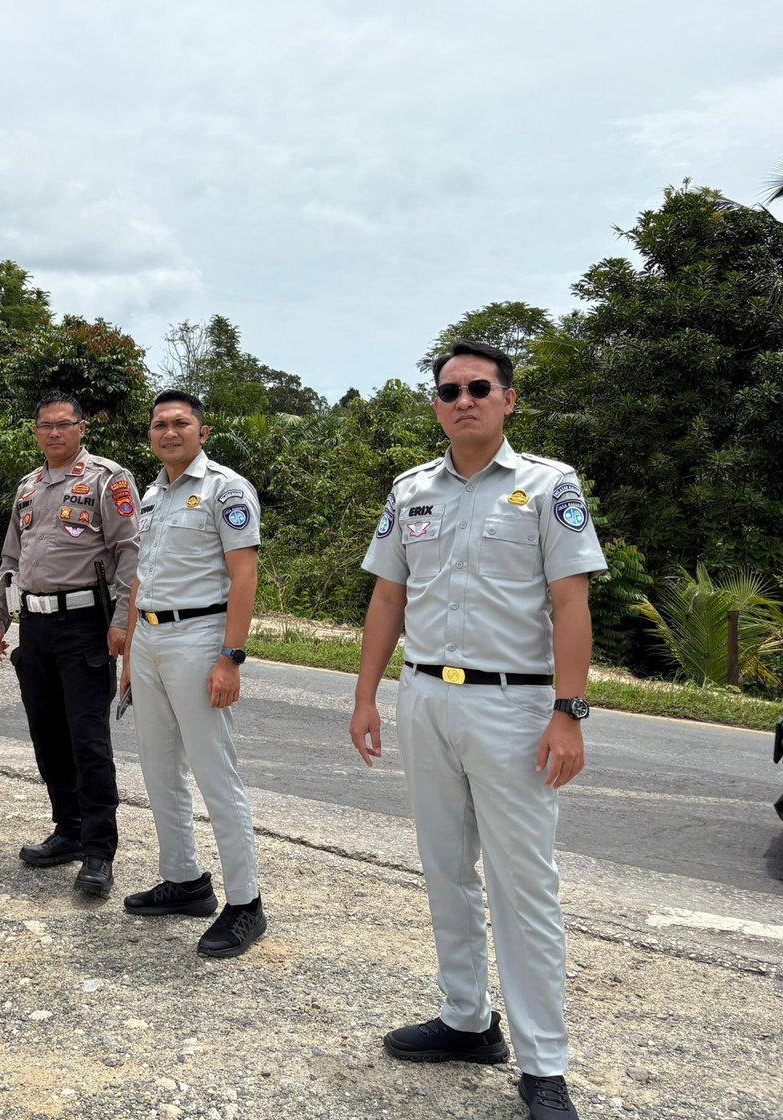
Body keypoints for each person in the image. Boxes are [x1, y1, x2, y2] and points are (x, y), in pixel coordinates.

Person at [349, 339, 604, 1120]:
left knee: (523, 884)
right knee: (444, 866)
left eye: (479, 388)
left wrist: (569, 711)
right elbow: (388, 597)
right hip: (426, 697)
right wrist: (366, 696)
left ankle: (544, 1063)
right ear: (436, 404)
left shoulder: (548, 486)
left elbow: (570, 603)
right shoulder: (411, 490)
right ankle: (467, 1020)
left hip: (516, 707)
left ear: (508, 400)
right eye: (449, 390)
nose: (464, 399)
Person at [118, 390, 268, 958]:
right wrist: (131, 654)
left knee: (214, 772)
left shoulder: (225, 489)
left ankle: (245, 904)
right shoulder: (152, 494)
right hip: (152, 638)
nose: (169, 431)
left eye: (181, 422)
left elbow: (244, 574)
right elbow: (140, 578)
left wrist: (231, 656)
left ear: (202, 432)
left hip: (201, 638)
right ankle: (185, 880)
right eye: (159, 424)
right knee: (159, 768)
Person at [0, 391, 138, 898]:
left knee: (88, 743)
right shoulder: (28, 487)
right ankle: (67, 832)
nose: (54, 433)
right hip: (36, 626)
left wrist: (122, 622)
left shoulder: (107, 480)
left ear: (82, 428)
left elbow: (128, 553)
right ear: (36, 432)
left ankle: (98, 851)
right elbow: (12, 556)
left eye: (63, 425)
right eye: (45, 426)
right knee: (48, 737)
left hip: (85, 627)